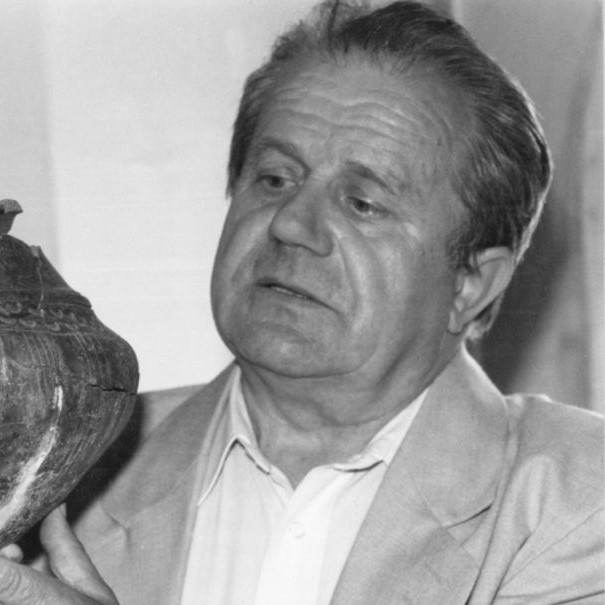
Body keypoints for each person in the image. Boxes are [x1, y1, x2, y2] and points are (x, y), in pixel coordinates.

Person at [0, 1, 602, 603]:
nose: (291, 224)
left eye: (362, 203)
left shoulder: (578, 500)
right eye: (274, 179)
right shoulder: (58, 458)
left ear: (471, 283)